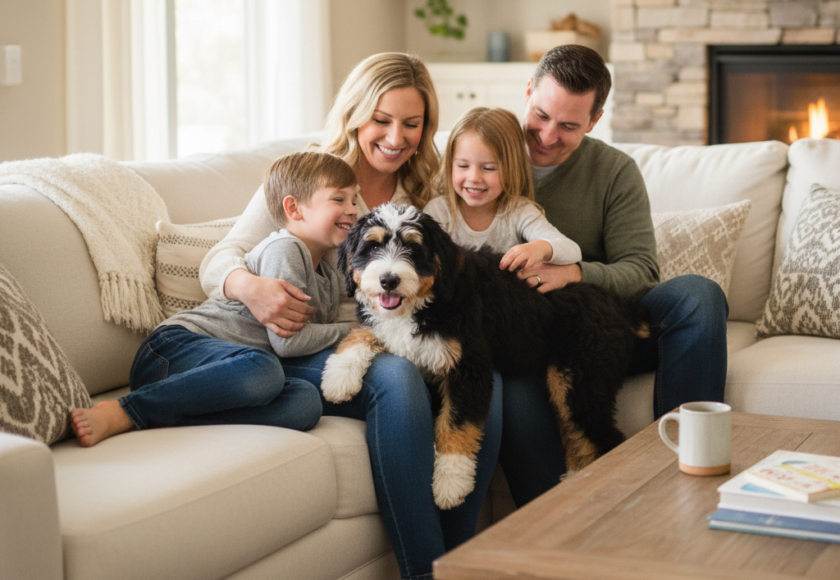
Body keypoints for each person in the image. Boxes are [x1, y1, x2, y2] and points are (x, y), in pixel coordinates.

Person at [198, 53, 502, 580]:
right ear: (356, 115)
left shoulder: (425, 191)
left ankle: (459, 562)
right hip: (306, 341)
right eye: (381, 120)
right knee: (399, 380)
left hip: (395, 332)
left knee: (483, 387)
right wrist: (248, 286)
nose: (395, 137)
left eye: (412, 124)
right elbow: (221, 256)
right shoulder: (314, 175)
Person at [498, 44, 730, 507]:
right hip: (527, 338)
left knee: (700, 296)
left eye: (568, 126)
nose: (546, 135)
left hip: (605, 330)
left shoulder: (614, 171)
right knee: (515, 391)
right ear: (527, 93)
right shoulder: (483, 157)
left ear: (595, 120)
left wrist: (573, 273)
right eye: (540, 115)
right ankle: (552, 527)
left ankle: (686, 468)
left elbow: (641, 271)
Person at [70, 150, 359, 447]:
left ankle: (162, 414)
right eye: (339, 199)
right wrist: (354, 333)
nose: (352, 209)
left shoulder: (328, 273)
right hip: (172, 351)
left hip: (219, 378)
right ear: (294, 208)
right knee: (264, 368)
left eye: (354, 199)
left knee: (305, 402)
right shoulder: (285, 249)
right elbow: (290, 343)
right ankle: (128, 409)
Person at [424, 106, 581, 271]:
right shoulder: (438, 211)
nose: (474, 178)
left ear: (511, 170)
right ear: (450, 165)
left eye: (489, 168)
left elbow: (572, 250)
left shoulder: (519, 211)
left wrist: (540, 248)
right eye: (463, 165)